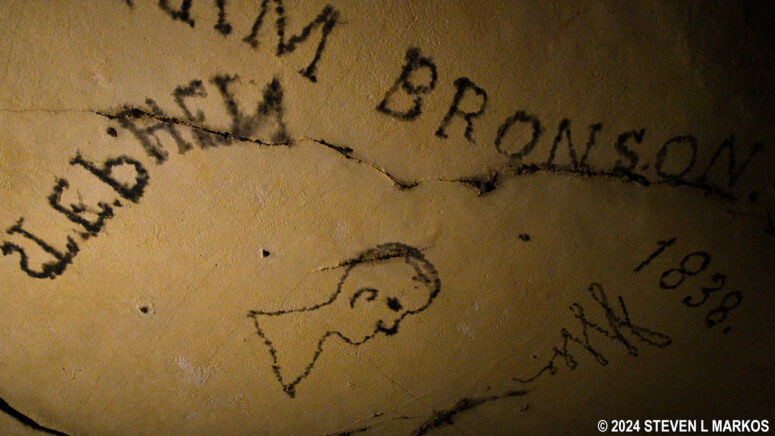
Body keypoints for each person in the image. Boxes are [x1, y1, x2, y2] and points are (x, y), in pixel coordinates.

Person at [248, 242, 440, 397]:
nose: (390, 325)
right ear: (363, 295)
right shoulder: (256, 347)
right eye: (394, 307)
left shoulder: (297, 367)